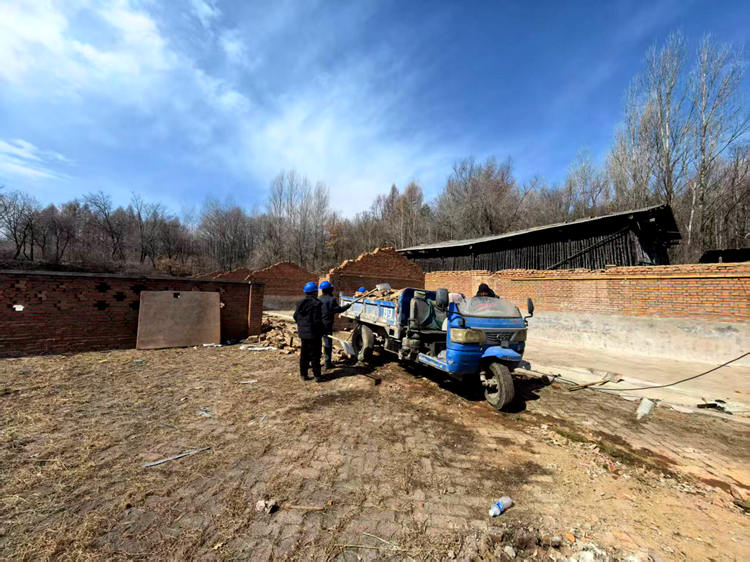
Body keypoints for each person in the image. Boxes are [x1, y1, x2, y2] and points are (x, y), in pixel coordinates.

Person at [293, 281, 323, 381]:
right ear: (314, 292)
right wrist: (322, 330)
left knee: (304, 354)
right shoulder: (316, 304)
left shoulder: (300, 303)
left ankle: (303, 375)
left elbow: (295, 316)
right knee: (315, 355)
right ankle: (317, 375)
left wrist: (302, 325)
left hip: (303, 334)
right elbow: (317, 321)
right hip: (314, 334)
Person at [318, 280, 351, 369]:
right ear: (329, 289)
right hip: (327, 325)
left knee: (317, 343)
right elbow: (338, 309)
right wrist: (347, 306)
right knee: (327, 344)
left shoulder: (318, 299)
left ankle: (315, 362)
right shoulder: (331, 299)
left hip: (318, 324)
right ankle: (327, 363)